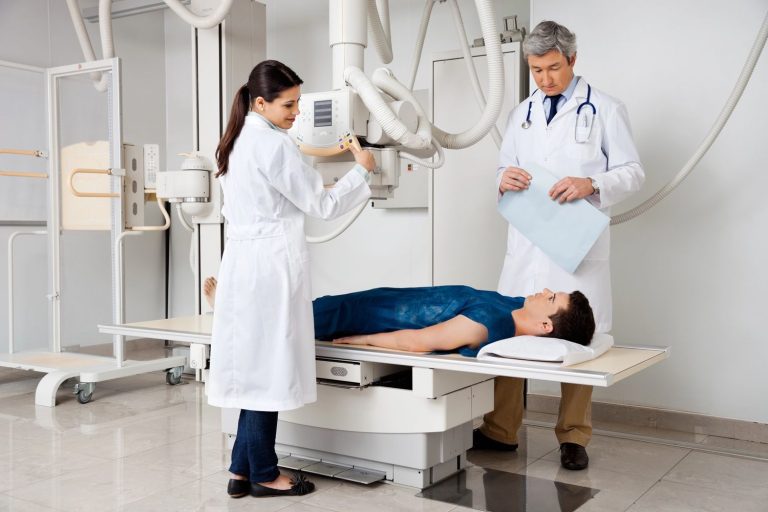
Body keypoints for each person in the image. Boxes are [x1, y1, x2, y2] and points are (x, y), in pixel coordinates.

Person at [206, 60, 376, 499]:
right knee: (268, 373)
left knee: (253, 370)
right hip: (270, 268)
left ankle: (240, 472)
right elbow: (322, 206)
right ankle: (266, 473)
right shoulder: (275, 146)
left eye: (299, 102)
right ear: (261, 102)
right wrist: (363, 169)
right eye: (289, 104)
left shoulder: (237, 140)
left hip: (244, 264)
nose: (297, 112)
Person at [481, 21, 645, 470]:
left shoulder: (607, 109)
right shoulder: (521, 114)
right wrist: (503, 178)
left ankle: (574, 436)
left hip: (577, 247)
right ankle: (500, 429)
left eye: (553, 68)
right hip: (528, 244)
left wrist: (591, 181)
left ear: (573, 60)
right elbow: (503, 169)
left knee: (579, 340)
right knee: (513, 331)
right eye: (536, 71)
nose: (545, 79)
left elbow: (633, 172)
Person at [204, 278, 596, 354]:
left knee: (302, 319)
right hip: (383, 300)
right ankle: (240, 306)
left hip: (371, 318)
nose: (544, 290)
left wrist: (361, 339)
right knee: (305, 307)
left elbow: (419, 343)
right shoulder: (512, 304)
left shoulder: (491, 324)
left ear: (546, 326)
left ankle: (232, 312)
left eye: (551, 298)